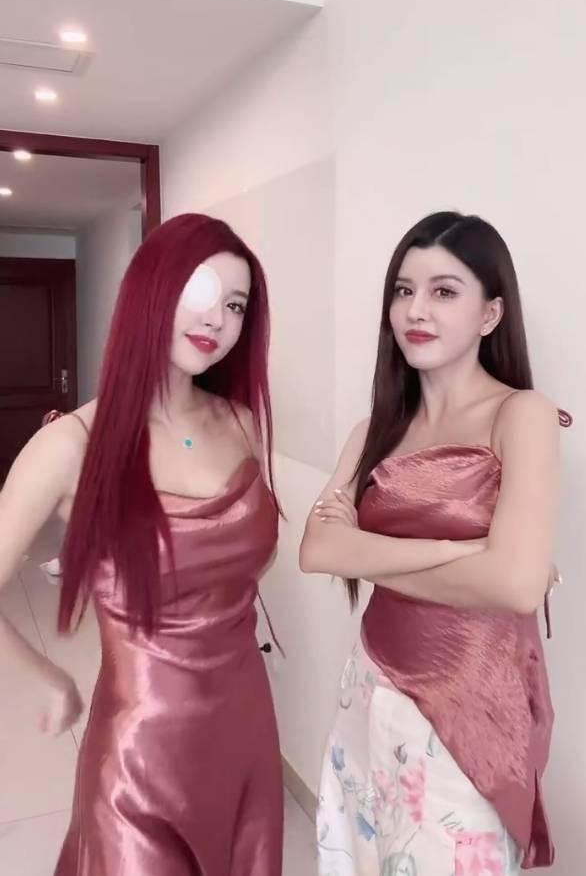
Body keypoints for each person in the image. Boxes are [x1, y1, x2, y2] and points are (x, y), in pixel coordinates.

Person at [0, 214, 283, 876]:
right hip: (140, 756)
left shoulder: (243, 421)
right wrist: (49, 676)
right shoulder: (71, 444)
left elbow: (245, 560)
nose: (217, 319)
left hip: (246, 728)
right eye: (200, 289)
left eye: (236, 305)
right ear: (152, 287)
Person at [300, 212, 569, 875]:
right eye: (403, 290)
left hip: (474, 704)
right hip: (372, 686)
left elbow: (515, 585)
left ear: (490, 313)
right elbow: (318, 550)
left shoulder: (522, 415)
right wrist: (462, 553)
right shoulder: (375, 430)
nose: (415, 309)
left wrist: (369, 551)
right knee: (363, 852)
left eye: (443, 291)